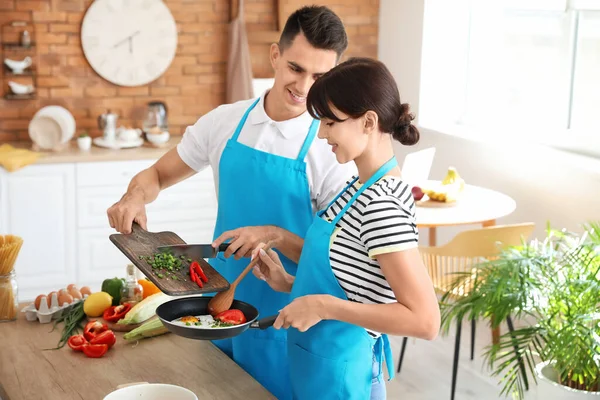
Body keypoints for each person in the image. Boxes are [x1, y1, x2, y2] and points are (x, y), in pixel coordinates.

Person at [106, 6, 354, 400]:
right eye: (295, 68)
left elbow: (338, 263)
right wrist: (133, 197)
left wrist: (274, 236)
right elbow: (156, 175)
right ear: (275, 55)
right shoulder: (224, 122)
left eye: (320, 76)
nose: (305, 87)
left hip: (287, 314)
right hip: (219, 308)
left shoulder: (332, 149)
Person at [251, 57, 441, 400]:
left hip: (343, 380)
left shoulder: (382, 205)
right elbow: (359, 288)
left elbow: (425, 320)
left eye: (329, 122)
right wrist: (291, 286)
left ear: (368, 122)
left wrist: (323, 307)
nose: (321, 133)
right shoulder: (356, 187)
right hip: (318, 373)